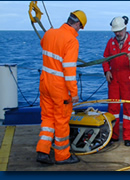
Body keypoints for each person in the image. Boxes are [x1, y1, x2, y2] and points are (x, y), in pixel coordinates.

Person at [36, 10, 87, 164]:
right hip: (60, 88)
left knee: (47, 118)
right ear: (77, 24)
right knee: (61, 121)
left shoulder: (50, 33)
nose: (79, 30)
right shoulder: (72, 41)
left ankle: (43, 150)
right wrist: (74, 92)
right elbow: (69, 69)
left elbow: (43, 44)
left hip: (45, 83)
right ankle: (62, 155)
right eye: (80, 27)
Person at [102, 16, 130, 146]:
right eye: (116, 31)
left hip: (129, 82)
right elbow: (105, 58)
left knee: (129, 111)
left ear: (125, 29)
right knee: (113, 110)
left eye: (120, 31)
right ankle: (113, 136)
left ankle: (128, 137)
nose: (118, 33)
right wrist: (107, 71)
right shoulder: (111, 43)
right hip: (114, 81)